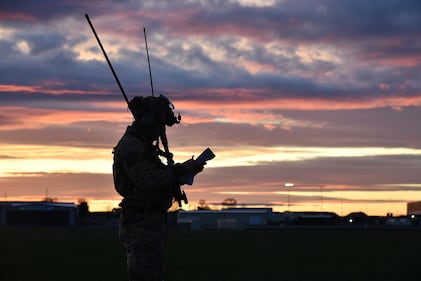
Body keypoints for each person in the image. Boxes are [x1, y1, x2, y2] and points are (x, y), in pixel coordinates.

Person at [112, 95, 204, 281]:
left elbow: (158, 180)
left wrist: (183, 173)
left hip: (150, 222)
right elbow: (147, 180)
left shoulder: (144, 148)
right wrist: (179, 170)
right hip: (141, 224)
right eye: (159, 125)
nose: (160, 131)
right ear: (149, 122)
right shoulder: (132, 147)